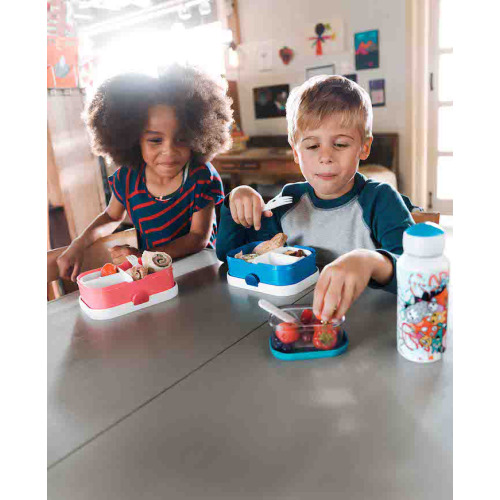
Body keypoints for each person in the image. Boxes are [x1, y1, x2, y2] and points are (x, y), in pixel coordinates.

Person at [216, 75, 416, 322]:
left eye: (340, 144)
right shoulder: (288, 201)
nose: (325, 157)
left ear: (364, 147)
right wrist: (234, 202)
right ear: (296, 152)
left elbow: (415, 273)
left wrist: (371, 261)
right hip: (299, 322)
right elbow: (232, 256)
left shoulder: (380, 200)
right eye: (312, 146)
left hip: (370, 326)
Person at [57, 64, 233, 281]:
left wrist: (145, 256)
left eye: (181, 139)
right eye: (155, 140)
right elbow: (111, 216)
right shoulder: (128, 178)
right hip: (153, 275)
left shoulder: (201, 177)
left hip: (202, 273)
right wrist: (78, 245)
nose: (169, 150)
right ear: (134, 139)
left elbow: (198, 238)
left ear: (197, 136)